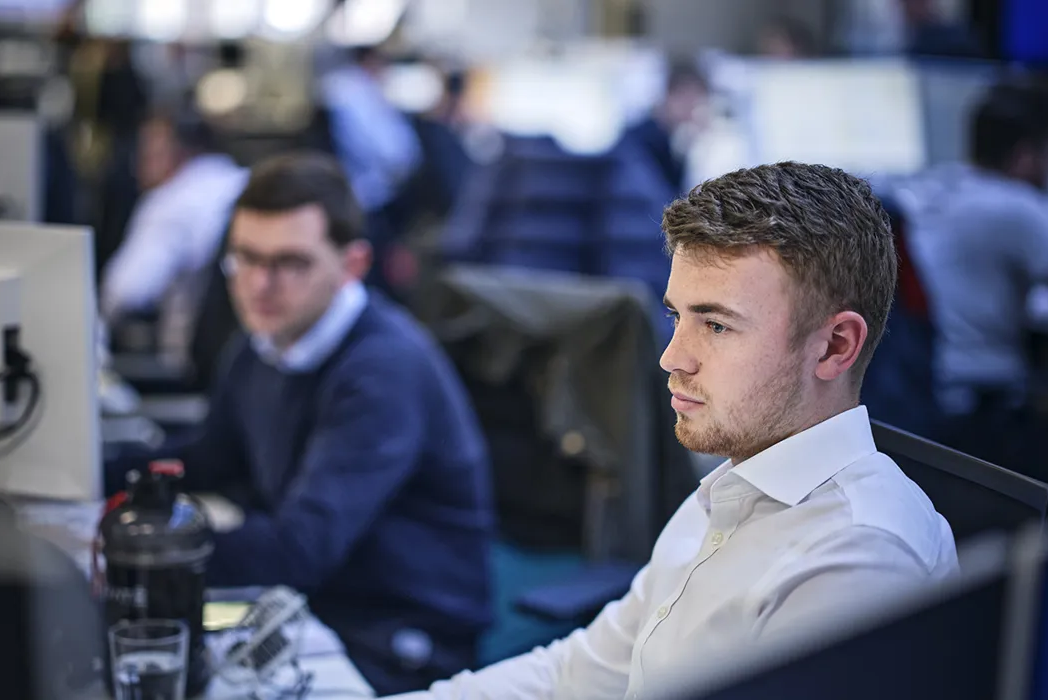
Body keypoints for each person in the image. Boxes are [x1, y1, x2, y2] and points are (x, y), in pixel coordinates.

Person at [387, 161, 958, 699]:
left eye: (716, 325)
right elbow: (578, 674)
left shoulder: (856, 559)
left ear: (834, 347)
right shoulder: (729, 490)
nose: (671, 357)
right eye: (675, 316)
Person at [117, 152, 494, 695]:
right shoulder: (264, 341)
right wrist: (89, 476)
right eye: (245, 258)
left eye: (290, 263)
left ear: (353, 265)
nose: (259, 284)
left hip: (400, 633)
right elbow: (209, 457)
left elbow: (298, 550)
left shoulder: (382, 372)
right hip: (314, 605)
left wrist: (139, 550)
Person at [907, 79, 1048, 484]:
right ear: (1026, 155)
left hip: (926, 397)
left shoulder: (941, 185)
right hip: (983, 413)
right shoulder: (1018, 208)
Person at [100, 103, 248, 360]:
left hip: (185, 364)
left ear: (182, 152)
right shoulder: (242, 182)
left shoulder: (171, 201)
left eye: (150, 151)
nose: (138, 163)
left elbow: (126, 292)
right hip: (249, 360)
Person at [620, 60, 710, 197]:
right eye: (689, 100)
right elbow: (662, 196)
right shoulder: (641, 140)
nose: (692, 110)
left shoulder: (669, 140)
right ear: (671, 95)